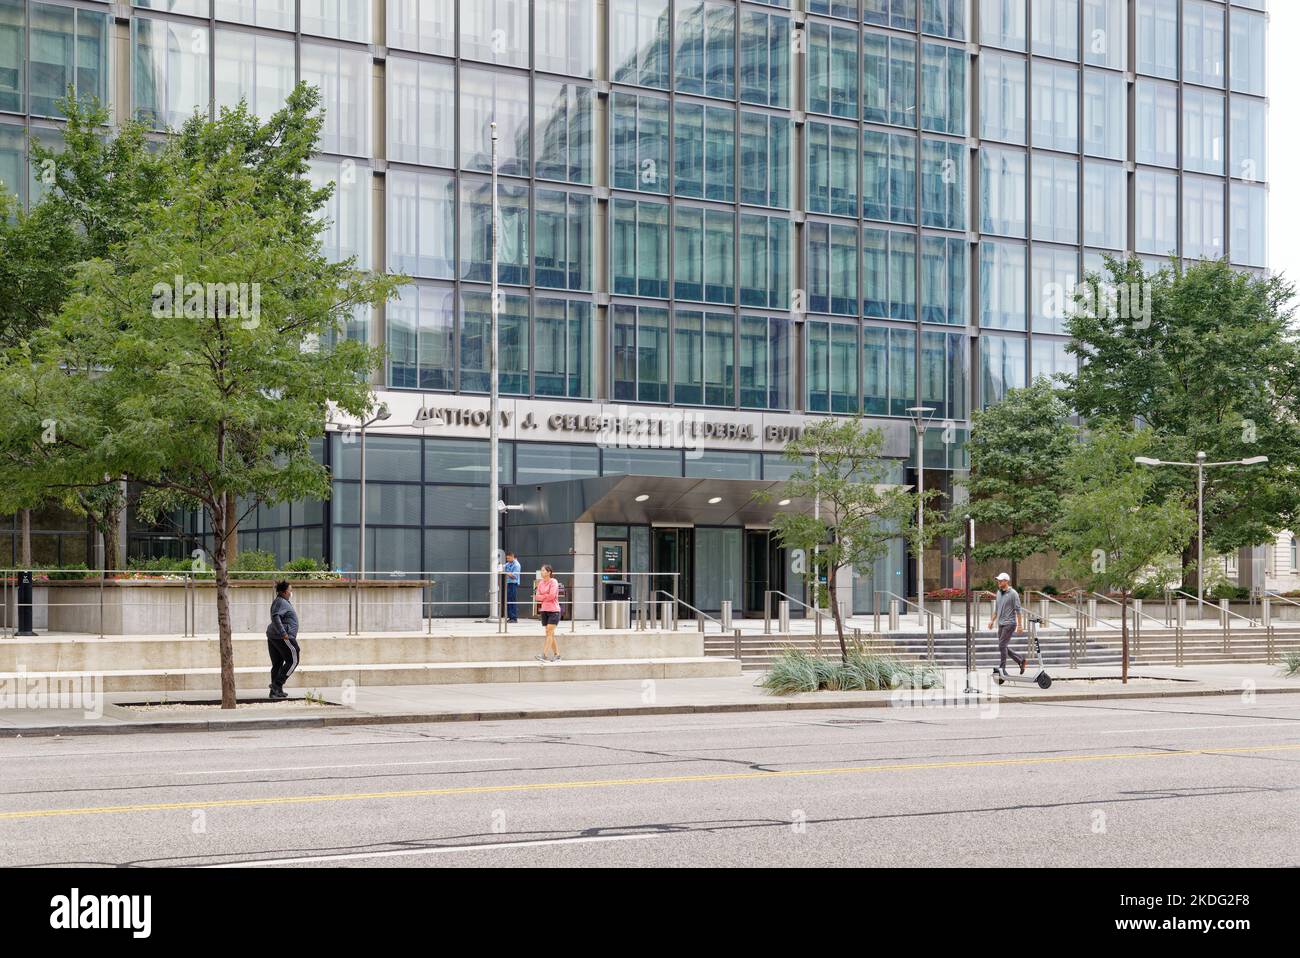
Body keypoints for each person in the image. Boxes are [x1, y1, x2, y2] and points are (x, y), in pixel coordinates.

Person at [266, 580, 300, 699]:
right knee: (294, 660)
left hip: (274, 636)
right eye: (290, 590)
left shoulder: (280, 601)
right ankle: (276, 685)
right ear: (285, 592)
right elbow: (276, 617)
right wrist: (283, 633)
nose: (291, 592)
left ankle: (276, 692)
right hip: (283, 636)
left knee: (278, 664)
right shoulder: (281, 602)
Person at [987, 572, 1026, 675]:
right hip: (1001, 623)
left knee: (1002, 645)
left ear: (1006, 581)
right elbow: (996, 609)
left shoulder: (1013, 593)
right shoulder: (999, 593)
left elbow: (1018, 610)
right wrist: (992, 621)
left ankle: (1002, 669)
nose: (998, 582)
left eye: (1001, 580)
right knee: (1002, 646)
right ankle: (1020, 660)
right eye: (998, 580)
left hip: (1010, 623)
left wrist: (1020, 625)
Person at [532, 564, 562, 662]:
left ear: (549, 572)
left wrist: (543, 596)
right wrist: (545, 595)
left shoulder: (553, 581)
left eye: (543, 570)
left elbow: (552, 596)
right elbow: (536, 597)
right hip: (544, 610)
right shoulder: (540, 583)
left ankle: (544, 655)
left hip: (554, 611)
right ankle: (557, 655)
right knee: (550, 633)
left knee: (549, 632)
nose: (542, 572)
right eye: (541, 570)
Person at [503, 551, 521, 623]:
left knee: (512, 600)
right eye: (507, 558)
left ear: (512, 557)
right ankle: (510, 617)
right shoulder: (509, 563)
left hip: (513, 583)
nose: (507, 560)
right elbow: (503, 566)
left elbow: (514, 576)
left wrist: (507, 573)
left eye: (508, 558)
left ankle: (514, 618)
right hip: (509, 583)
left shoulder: (517, 565)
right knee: (509, 600)